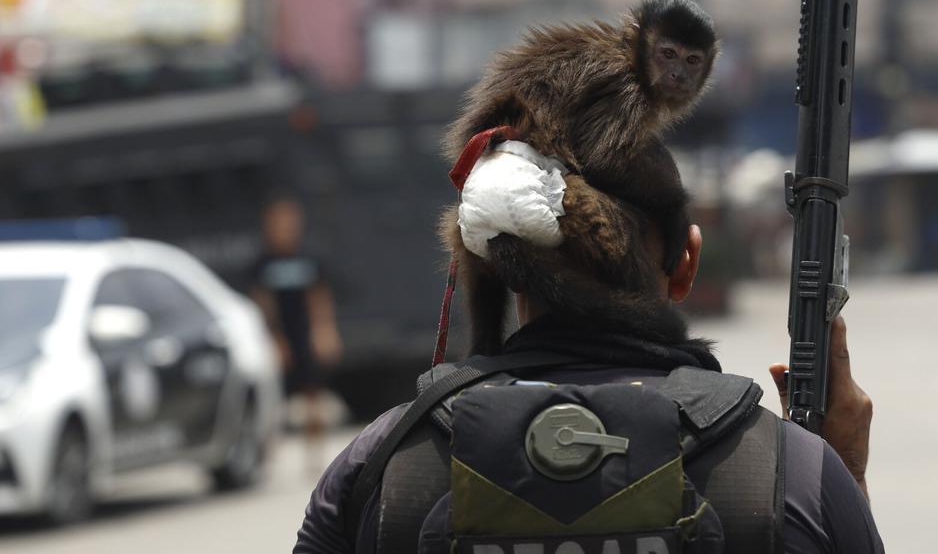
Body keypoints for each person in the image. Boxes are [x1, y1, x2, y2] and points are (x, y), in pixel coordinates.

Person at [292, 144, 882, 552]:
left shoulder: (382, 466)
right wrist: (842, 471)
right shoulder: (785, 472)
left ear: (507, 267)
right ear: (687, 262)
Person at [250, 195, 342, 467]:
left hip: (305, 335)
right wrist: (274, 339)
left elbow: (320, 297)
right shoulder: (262, 263)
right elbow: (262, 303)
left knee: (313, 396)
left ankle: (314, 453)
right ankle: (268, 455)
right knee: (274, 397)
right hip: (279, 336)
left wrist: (324, 331)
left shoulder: (310, 258)